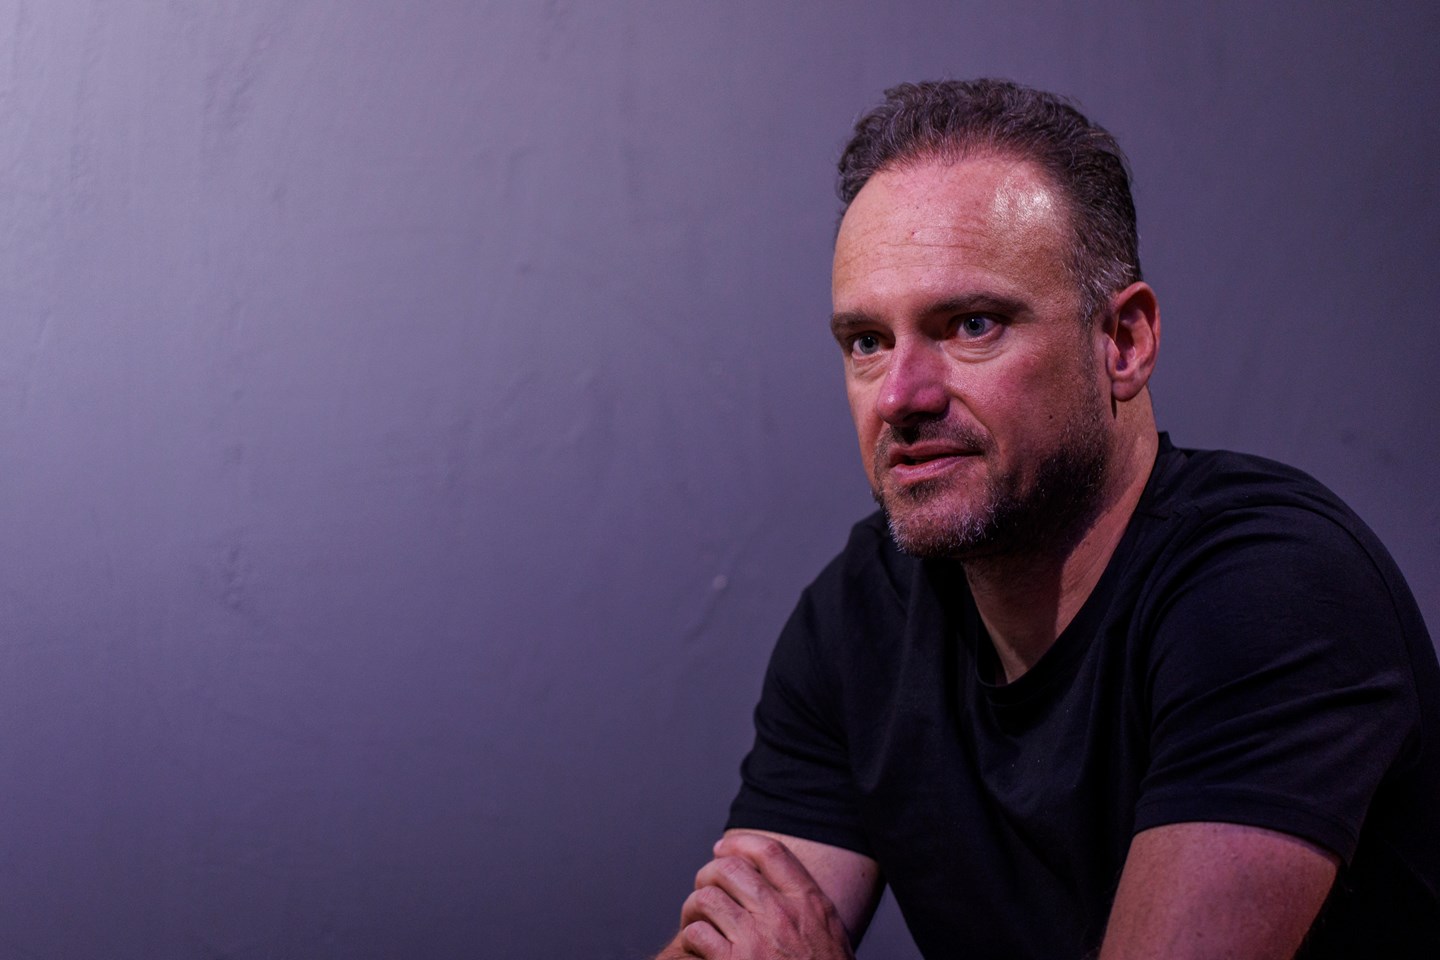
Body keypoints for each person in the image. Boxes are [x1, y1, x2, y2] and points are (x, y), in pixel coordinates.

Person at [654, 79, 1440, 959]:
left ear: (1123, 343)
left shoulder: (1273, 593)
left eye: (972, 325)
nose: (901, 396)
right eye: (868, 342)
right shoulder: (861, 615)